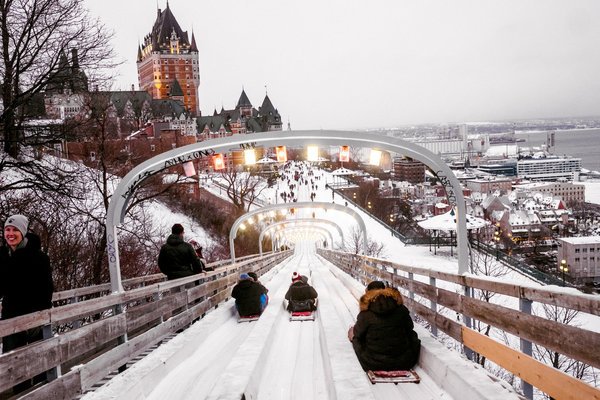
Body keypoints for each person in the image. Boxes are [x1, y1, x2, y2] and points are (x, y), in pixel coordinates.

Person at [0, 215, 54, 391]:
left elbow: (46, 290)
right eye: (7, 229)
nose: (10, 233)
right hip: (10, 318)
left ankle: (43, 392)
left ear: (23, 232)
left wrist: (40, 317)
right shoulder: (2, 256)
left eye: (15, 230)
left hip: (34, 317)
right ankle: (20, 394)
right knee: (14, 364)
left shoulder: (39, 258)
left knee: (37, 361)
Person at [348, 281, 421, 372]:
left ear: (368, 293)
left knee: (356, 336)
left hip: (372, 363)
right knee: (411, 334)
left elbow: (358, 335)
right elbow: (409, 329)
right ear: (386, 290)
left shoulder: (366, 313)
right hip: (404, 362)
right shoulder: (401, 309)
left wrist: (353, 333)